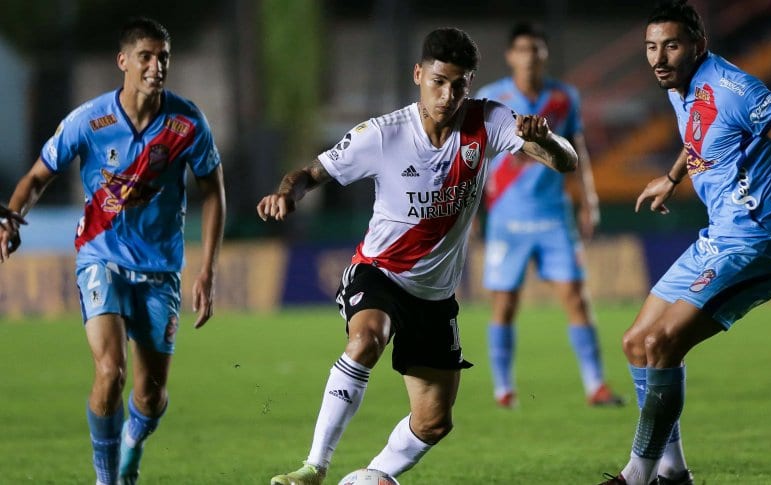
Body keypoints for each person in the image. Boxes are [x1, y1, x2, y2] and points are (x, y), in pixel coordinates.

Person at [258, 27, 577, 485]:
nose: (447, 95)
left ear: (470, 83)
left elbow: (566, 162)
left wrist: (545, 139)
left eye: (459, 84)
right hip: (379, 272)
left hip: (435, 294)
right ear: (418, 75)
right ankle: (315, 466)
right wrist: (287, 195)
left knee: (433, 421)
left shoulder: (488, 121)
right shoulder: (382, 135)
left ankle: (373, 477)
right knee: (367, 340)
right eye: (438, 81)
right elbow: (310, 172)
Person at [599, 1, 771, 484]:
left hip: (756, 243)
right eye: (651, 47)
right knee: (635, 344)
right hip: (718, 238)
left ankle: (636, 475)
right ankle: (673, 473)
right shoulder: (680, 87)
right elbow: (701, 137)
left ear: (698, 46)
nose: (659, 58)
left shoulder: (735, 88)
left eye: (671, 45)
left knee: (662, 343)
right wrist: (670, 178)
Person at [0, 17, 225, 485]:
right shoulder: (91, 120)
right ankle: (107, 480)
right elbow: (37, 176)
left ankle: (131, 450)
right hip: (100, 257)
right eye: (146, 56)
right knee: (110, 372)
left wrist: (207, 270)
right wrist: (14, 216)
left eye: (163, 56)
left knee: (151, 394)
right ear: (123, 61)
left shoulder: (187, 123)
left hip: (161, 269)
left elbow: (213, 192)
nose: (156, 66)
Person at [475, 22, 623, 408]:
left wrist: (588, 200)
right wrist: (470, 210)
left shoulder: (563, 97)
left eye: (537, 50)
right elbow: (472, 158)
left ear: (545, 55)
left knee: (576, 298)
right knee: (504, 303)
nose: (530, 56)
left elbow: (578, 149)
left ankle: (596, 386)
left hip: (555, 215)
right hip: (507, 216)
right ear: (510, 55)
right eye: (523, 49)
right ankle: (504, 390)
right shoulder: (492, 99)